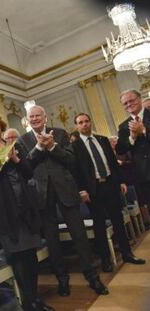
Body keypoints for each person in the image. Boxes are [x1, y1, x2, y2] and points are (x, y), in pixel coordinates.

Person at [18, 105, 108, 296]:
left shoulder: (59, 133)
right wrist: (38, 147)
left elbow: (70, 160)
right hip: (42, 195)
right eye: (31, 117)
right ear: (27, 120)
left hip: (66, 191)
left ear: (45, 117)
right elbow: (25, 167)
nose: (34, 119)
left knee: (80, 237)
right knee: (53, 241)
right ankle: (62, 280)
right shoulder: (23, 139)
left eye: (37, 116)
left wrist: (51, 146)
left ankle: (93, 278)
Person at [0, 112, 54, 311]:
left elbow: (28, 171)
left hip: (25, 208)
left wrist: (16, 159)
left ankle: (33, 299)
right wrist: (1, 161)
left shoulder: (15, 145)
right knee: (19, 257)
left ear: (1, 125)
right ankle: (29, 303)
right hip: (5, 211)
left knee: (30, 255)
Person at [72, 113, 145, 272]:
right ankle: (106, 260)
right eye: (80, 122)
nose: (84, 124)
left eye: (86, 121)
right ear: (76, 126)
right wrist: (81, 190)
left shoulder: (102, 140)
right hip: (93, 190)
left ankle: (127, 254)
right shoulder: (75, 147)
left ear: (90, 122)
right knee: (99, 226)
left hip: (110, 185)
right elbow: (75, 171)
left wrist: (121, 181)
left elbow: (112, 162)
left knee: (118, 221)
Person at [116, 90, 150, 216]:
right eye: (125, 103)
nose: (129, 104)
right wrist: (132, 138)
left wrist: (144, 131)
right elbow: (120, 149)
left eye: (131, 100)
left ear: (139, 99)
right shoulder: (123, 126)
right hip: (143, 175)